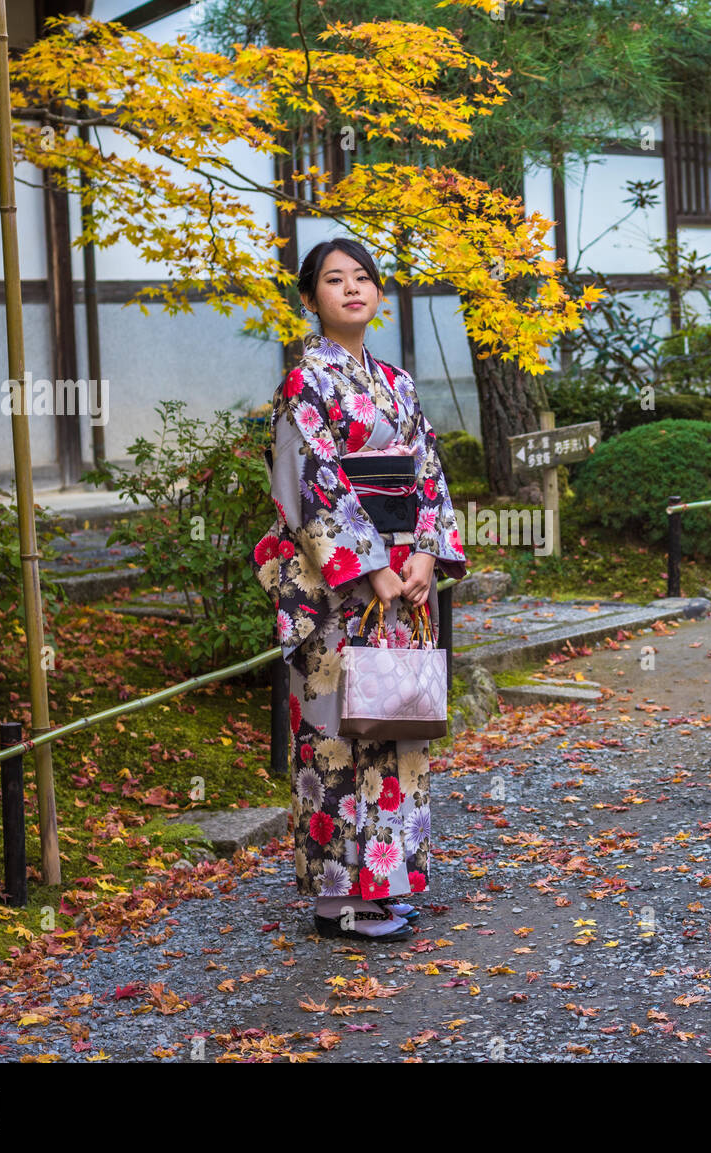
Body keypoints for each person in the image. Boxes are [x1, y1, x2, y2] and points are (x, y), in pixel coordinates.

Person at [250, 237, 468, 940]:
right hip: (339, 590)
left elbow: (427, 471)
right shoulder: (304, 383)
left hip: (401, 582)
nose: (352, 288)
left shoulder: (397, 382)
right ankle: (337, 898)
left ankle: (382, 882)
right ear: (310, 297)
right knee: (337, 732)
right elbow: (312, 480)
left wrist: (426, 552)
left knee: (394, 723)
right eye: (334, 279)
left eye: (364, 278)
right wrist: (370, 561)